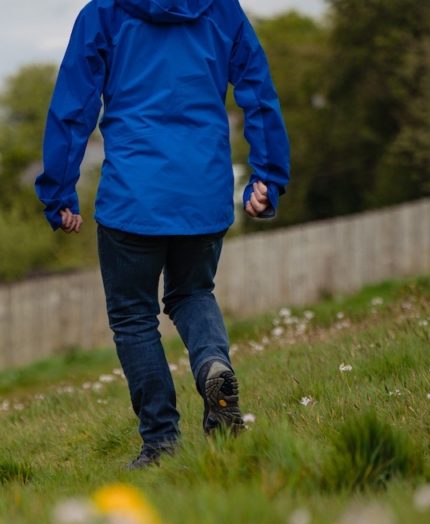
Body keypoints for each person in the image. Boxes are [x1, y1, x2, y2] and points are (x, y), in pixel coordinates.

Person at [36, 0, 290, 468]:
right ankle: (214, 366)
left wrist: (58, 191)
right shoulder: (221, 10)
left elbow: (73, 107)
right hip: (205, 192)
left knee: (134, 318)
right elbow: (258, 90)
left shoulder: (104, 13)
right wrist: (267, 176)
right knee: (193, 292)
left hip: (133, 197)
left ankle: (161, 442)